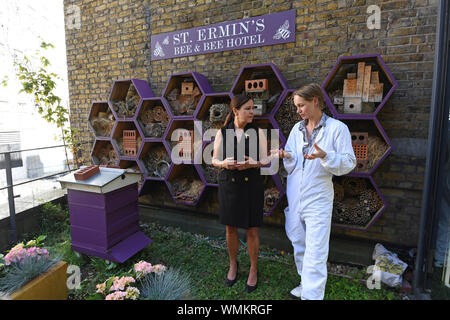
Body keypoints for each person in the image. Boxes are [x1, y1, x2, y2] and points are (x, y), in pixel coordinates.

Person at [273, 83, 356, 300]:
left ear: (316, 101)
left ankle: (312, 296)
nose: (298, 110)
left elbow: (348, 162)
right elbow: (293, 161)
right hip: (295, 195)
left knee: (316, 250)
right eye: (297, 106)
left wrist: (325, 156)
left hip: (318, 197)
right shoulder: (296, 129)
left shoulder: (337, 129)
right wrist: (286, 156)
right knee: (299, 243)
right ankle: (305, 283)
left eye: (301, 105)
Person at [212, 94, 271, 293]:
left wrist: (250, 164)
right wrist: (225, 163)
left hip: (251, 184)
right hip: (229, 184)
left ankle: (253, 269)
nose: (252, 112)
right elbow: (214, 160)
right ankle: (233, 264)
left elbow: (265, 160)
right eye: (248, 108)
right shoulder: (223, 132)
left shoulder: (258, 131)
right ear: (236, 110)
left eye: (253, 108)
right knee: (231, 228)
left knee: (252, 229)